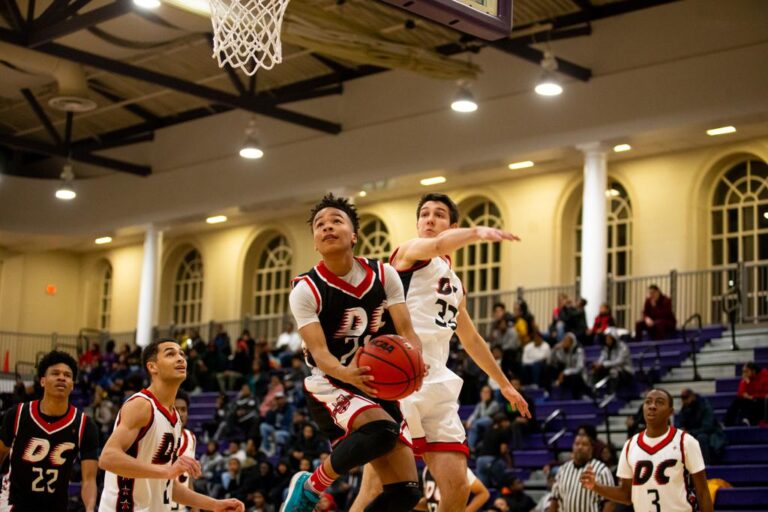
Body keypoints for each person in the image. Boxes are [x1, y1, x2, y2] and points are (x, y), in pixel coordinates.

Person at [351, 193, 530, 512]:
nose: (430, 220)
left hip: (438, 383)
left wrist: (504, 384)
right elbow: (435, 246)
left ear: (452, 225)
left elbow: (472, 339)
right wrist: (477, 233)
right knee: (377, 486)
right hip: (398, 380)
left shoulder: (456, 284)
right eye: (425, 214)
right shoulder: (409, 252)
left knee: (458, 486)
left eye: (439, 215)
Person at [283, 194, 426, 512]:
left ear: (354, 234)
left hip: (376, 383)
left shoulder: (384, 274)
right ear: (315, 243)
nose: (327, 227)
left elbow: (407, 330)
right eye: (320, 225)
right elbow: (320, 353)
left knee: (407, 492)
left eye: (336, 221)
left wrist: (416, 358)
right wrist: (348, 374)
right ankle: (310, 487)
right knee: (383, 430)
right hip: (331, 382)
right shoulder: (306, 288)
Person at [98, 338, 244, 511]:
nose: (181, 358)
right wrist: (166, 471)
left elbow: (166, 485)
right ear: (152, 367)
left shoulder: (174, 417)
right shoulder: (142, 405)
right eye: (170, 354)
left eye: (182, 354)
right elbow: (108, 458)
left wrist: (214, 505)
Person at [580, 388, 713, 512]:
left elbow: (703, 492)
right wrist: (595, 486)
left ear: (670, 412)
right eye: (648, 402)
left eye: (659, 402)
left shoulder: (687, 442)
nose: (652, 406)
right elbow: (626, 495)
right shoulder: (630, 445)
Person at [0, 350, 98, 512]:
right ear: (43, 381)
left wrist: (89, 508)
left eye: (67, 375)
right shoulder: (17, 414)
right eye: (55, 373)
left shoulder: (85, 425)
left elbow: (89, 479)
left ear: (72, 384)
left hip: (55, 506)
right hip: (12, 503)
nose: (62, 377)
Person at [548, 434, 613, 512]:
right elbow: (555, 500)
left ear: (591, 449)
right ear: (572, 446)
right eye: (577, 444)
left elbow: (610, 502)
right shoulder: (562, 469)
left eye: (584, 444)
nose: (580, 447)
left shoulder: (601, 470)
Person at [678, 389, 726, 464]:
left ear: (692, 396)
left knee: (701, 438)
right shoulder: (685, 408)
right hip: (694, 433)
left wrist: (690, 432)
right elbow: (680, 423)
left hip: (710, 434)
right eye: (683, 398)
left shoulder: (705, 406)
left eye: (686, 398)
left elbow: (708, 427)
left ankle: (705, 465)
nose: (684, 401)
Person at [416, 467, 490, 512]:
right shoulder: (427, 470)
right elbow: (431, 502)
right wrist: (410, 503)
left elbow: (483, 493)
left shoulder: (459, 469)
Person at [171, 390, 197, 512]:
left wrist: (195, 507)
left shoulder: (191, 438)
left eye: (183, 410)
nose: (180, 414)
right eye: (176, 409)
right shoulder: (157, 436)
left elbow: (189, 477)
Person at [591, 328, 634, 396]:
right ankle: (593, 392)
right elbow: (602, 358)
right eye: (606, 338)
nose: (607, 340)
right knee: (595, 371)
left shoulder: (623, 347)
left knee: (613, 372)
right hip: (611, 368)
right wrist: (598, 364)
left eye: (609, 338)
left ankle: (612, 394)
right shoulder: (606, 348)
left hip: (625, 371)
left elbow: (619, 361)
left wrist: (603, 365)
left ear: (614, 338)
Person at [725, 362, 768, 426]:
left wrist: (752, 396)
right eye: (743, 372)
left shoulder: (765, 375)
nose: (744, 374)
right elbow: (740, 393)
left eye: (746, 371)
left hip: (761, 400)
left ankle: (748, 420)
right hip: (751, 399)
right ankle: (727, 422)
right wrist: (745, 383)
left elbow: (765, 393)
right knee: (738, 400)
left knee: (754, 402)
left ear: (753, 371)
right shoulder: (747, 378)